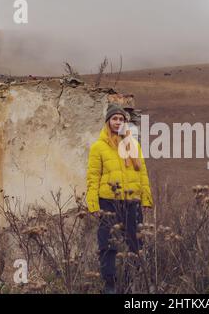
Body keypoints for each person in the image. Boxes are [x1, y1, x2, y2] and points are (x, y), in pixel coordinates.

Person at [86, 103, 153, 294]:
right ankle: (110, 285)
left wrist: (146, 199)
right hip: (108, 201)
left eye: (121, 119)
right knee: (107, 243)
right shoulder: (98, 147)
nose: (118, 122)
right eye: (114, 119)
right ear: (108, 122)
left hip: (132, 201)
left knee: (136, 243)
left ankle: (132, 283)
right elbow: (93, 177)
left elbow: (143, 175)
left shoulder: (133, 145)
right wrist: (93, 204)